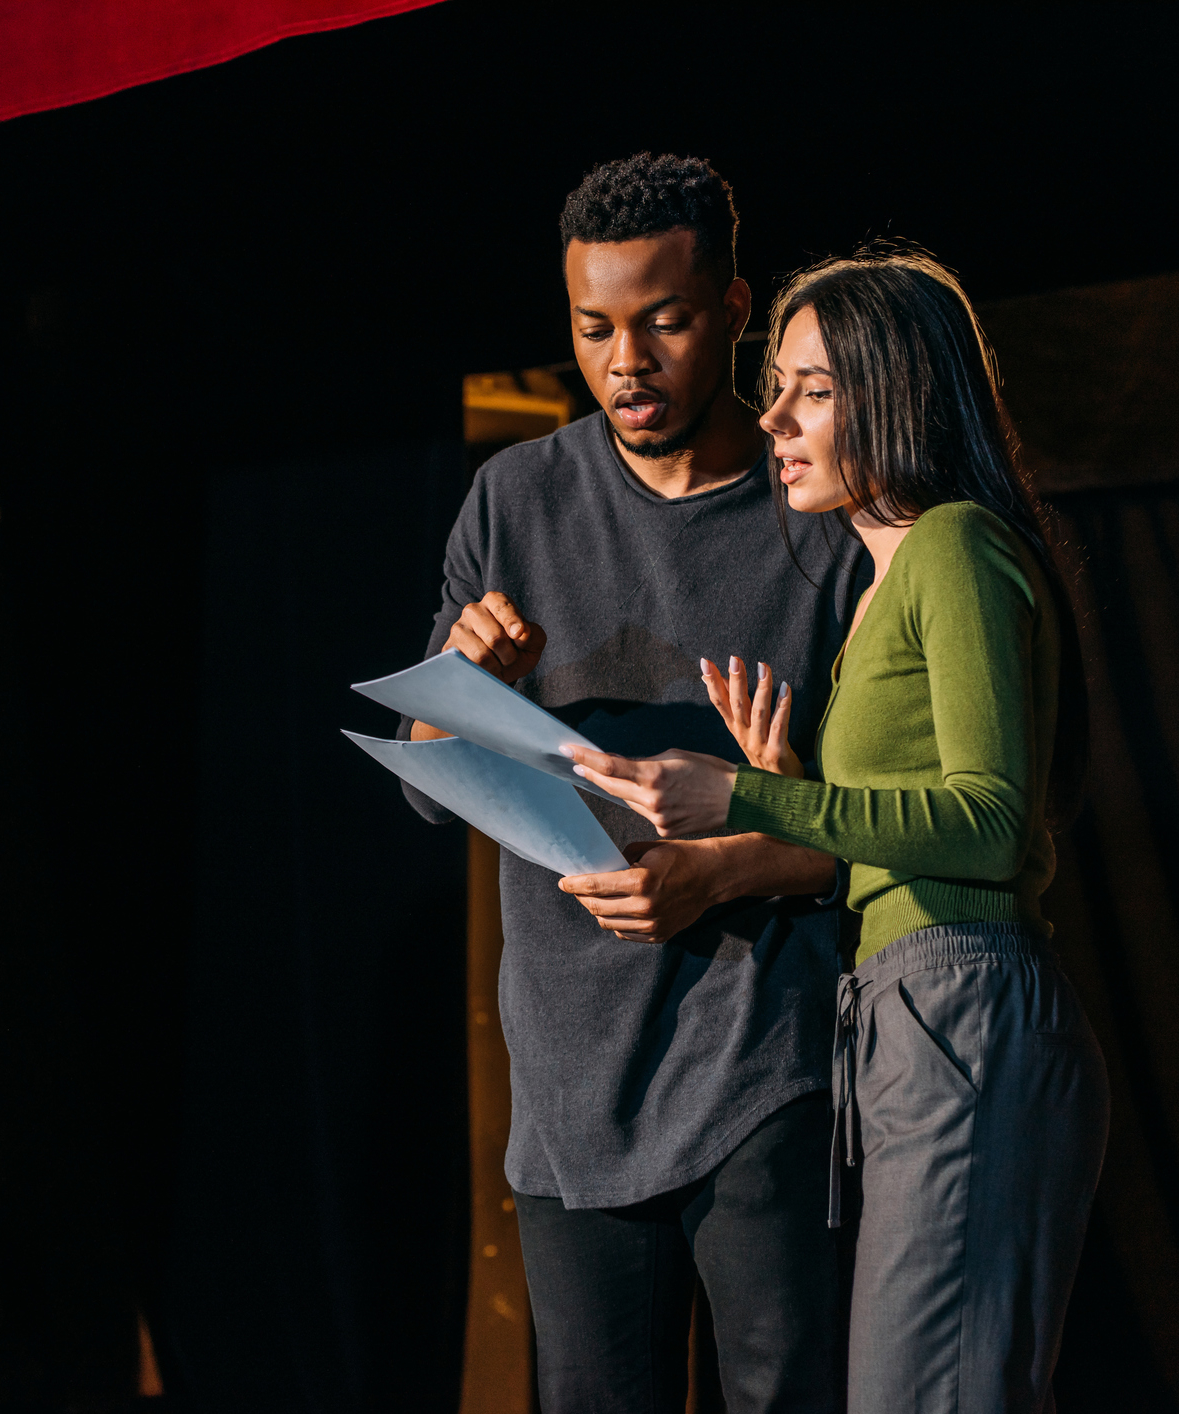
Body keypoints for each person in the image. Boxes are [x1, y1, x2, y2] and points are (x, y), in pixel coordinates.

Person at [566, 249, 1110, 1413]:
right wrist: (790, 786)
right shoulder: (874, 593)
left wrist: (749, 797)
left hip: (964, 1003)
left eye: (812, 390)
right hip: (907, 1014)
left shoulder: (954, 544)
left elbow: (988, 823)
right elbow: (897, 822)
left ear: (900, 393)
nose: (772, 418)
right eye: (777, 387)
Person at [400, 154, 869, 1412]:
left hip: (765, 1059)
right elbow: (426, 785)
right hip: (569, 1080)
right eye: (594, 328)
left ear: (733, 309)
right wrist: (465, 688)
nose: (626, 362)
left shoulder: (818, 510)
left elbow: (886, 823)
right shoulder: (515, 498)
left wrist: (721, 869)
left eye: (662, 322)